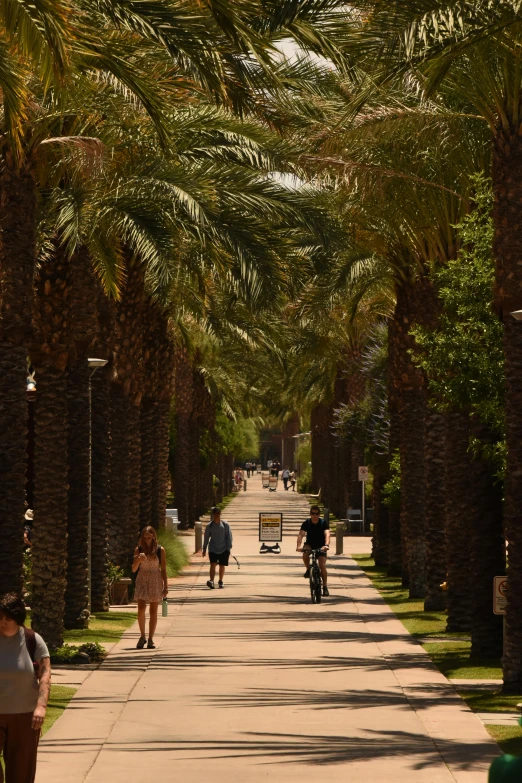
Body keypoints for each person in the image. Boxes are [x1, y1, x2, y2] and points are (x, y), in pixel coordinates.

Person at [0, 592, 51, 783]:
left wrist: (41, 706)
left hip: (25, 716)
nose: (3, 622)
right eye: (0, 618)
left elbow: (45, 674)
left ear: (18, 618)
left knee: (21, 771)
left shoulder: (33, 640)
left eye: (8, 618)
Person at [132, 526, 168, 650]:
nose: (147, 539)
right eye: (145, 537)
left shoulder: (160, 550)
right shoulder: (138, 549)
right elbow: (133, 569)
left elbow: (163, 569)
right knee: (141, 608)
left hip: (155, 580)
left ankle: (151, 638)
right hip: (142, 579)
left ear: (153, 537)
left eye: (149, 537)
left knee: (153, 610)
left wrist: (166, 587)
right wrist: (138, 560)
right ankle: (142, 636)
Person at [296, 505, 330, 597]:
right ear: (310, 514)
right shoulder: (306, 523)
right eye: (313, 513)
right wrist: (298, 546)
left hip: (321, 545)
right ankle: (308, 569)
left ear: (319, 514)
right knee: (305, 553)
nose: (315, 515)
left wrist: (326, 545)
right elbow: (301, 535)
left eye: (317, 513)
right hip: (310, 544)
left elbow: (327, 534)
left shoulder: (323, 523)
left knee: (322, 565)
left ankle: (325, 587)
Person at [202, 507, 233, 589]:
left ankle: (220, 581)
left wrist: (228, 548)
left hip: (223, 548)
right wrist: (204, 549)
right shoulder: (210, 526)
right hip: (213, 548)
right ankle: (211, 581)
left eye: (218, 514)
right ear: (213, 515)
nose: (217, 515)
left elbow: (229, 537)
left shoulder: (225, 525)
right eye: (215, 514)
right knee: (213, 564)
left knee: (222, 565)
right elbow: (206, 538)